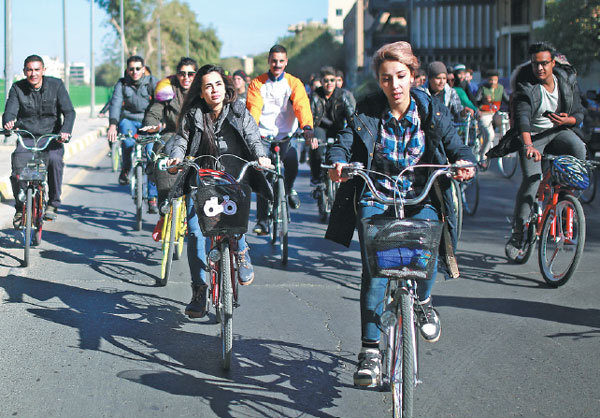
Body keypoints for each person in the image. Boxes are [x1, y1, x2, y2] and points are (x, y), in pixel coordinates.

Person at [325, 41, 475, 387]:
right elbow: (344, 141)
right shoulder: (368, 109)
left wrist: (464, 161)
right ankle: (370, 353)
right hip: (377, 195)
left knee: (429, 243)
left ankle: (422, 300)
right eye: (386, 78)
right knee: (376, 270)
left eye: (401, 77)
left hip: (420, 196)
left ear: (413, 77)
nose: (394, 85)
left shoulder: (431, 109)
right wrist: (338, 162)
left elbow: (455, 144)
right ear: (379, 81)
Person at [166, 64, 272, 318]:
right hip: (201, 179)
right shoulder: (193, 114)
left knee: (234, 223)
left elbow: (253, 136)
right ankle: (199, 290)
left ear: (226, 88)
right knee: (195, 233)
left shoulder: (238, 110)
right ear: (201, 93)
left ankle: (242, 249)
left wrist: (261, 156)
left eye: (218, 84)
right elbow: (181, 139)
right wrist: (175, 158)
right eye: (207, 86)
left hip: (233, 179)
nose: (214, 90)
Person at [505, 42, 586, 258]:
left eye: (544, 64)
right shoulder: (527, 84)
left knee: (578, 147)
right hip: (532, 137)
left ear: (553, 63)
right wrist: (528, 145)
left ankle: (566, 196)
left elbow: (579, 111)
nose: (539, 69)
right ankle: (518, 232)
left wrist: (569, 119)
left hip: (557, 132)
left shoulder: (566, 81)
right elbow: (522, 116)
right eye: (535, 64)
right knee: (532, 179)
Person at [246, 44, 314, 235]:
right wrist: (251, 131)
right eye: (274, 61)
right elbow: (254, 109)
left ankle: (290, 189)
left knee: (292, 162)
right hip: (263, 136)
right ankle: (262, 221)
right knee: (263, 174)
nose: (277, 65)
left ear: (286, 62)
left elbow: (301, 105)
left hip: (286, 136)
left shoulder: (294, 83)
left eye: (281, 61)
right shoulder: (257, 83)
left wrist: (307, 127)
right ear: (268, 61)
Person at [3, 54, 76, 224]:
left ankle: (53, 203)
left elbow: (69, 112)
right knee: (17, 167)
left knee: (55, 161)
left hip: (52, 137)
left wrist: (65, 132)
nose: (33, 74)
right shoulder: (17, 88)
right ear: (24, 71)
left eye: (37, 69)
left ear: (43, 70)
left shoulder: (56, 85)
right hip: (27, 137)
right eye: (29, 70)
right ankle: (21, 207)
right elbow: (9, 111)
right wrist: (8, 123)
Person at [107, 55, 159, 212]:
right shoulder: (122, 84)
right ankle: (126, 168)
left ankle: (152, 198)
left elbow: (160, 101)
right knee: (128, 143)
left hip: (148, 120)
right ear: (127, 70)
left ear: (143, 69)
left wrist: (159, 121)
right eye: (131, 69)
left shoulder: (152, 82)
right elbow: (115, 103)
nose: (134, 72)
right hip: (128, 120)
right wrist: (112, 125)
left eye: (138, 68)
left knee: (151, 155)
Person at [309, 66, 355, 188]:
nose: (329, 83)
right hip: (320, 127)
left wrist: (355, 130)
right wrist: (311, 134)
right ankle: (316, 177)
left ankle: (344, 176)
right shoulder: (315, 96)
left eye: (332, 80)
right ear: (321, 82)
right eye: (326, 80)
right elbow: (309, 117)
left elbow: (352, 117)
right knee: (316, 147)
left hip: (337, 127)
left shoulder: (343, 95)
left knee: (346, 148)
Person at [475, 69, 510, 163]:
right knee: (490, 135)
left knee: (507, 125)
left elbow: (507, 100)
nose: (493, 82)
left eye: (495, 80)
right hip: (485, 114)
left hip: (496, 113)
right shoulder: (483, 88)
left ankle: (505, 147)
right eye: (491, 80)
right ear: (487, 80)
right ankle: (483, 155)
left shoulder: (501, 88)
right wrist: (483, 100)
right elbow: (476, 101)